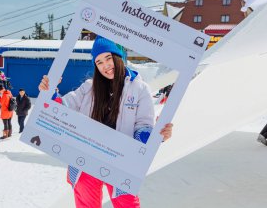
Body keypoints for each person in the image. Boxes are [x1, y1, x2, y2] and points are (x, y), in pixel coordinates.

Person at [39, 36, 173, 208]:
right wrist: (49, 92)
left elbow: (143, 127)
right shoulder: (89, 87)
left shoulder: (139, 88)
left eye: (108, 58)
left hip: (120, 161)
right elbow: (62, 108)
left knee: (128, 205)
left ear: (118, 57)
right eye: (99, 62)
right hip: (87, 157)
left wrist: (156, 136)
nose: (105, 66)